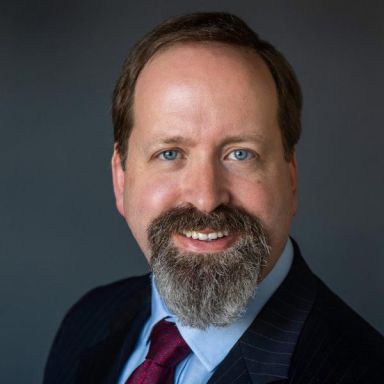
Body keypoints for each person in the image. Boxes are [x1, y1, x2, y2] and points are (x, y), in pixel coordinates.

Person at [44, 12, 384, 383]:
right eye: (170, 153)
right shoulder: (87, 322)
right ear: (120, 178)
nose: (206, 198)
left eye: (240, 154)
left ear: (290, 177)